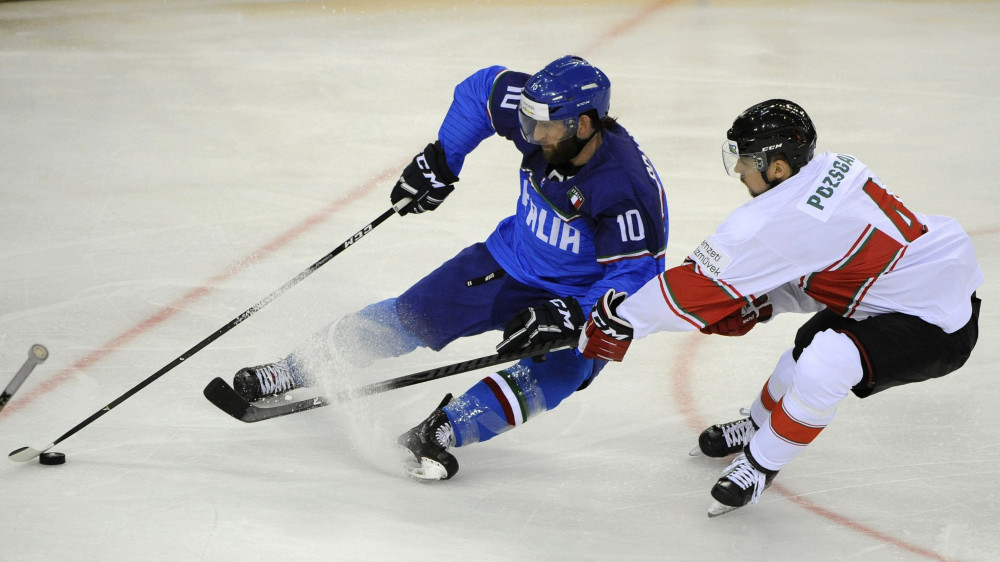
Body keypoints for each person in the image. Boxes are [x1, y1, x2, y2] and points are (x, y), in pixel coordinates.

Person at [232, 56, 669, 481]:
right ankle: (297, 367)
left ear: (585, 123)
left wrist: (576, 313)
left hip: (582, 294)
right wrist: (443, 158)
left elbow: (637, 275)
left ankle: (442, 429)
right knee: (413, 316)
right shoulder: (545, 124)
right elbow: (482, 90)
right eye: (529, 122)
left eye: (546, 126)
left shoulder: (624, 188)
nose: (533, 134)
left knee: (565, 368)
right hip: (510, 259)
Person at [579, 99, 982, 516]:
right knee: (808, 346)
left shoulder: (775, 222)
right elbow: (832, 271)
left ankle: (760, 464)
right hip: (916, 282)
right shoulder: (835, 167)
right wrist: (763, 302)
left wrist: (617, 322)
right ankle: (758, 425)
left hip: (938, 325)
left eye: (746, 160)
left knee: (827, 362)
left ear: (778, 167)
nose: (738, 171)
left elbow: (690, 290)